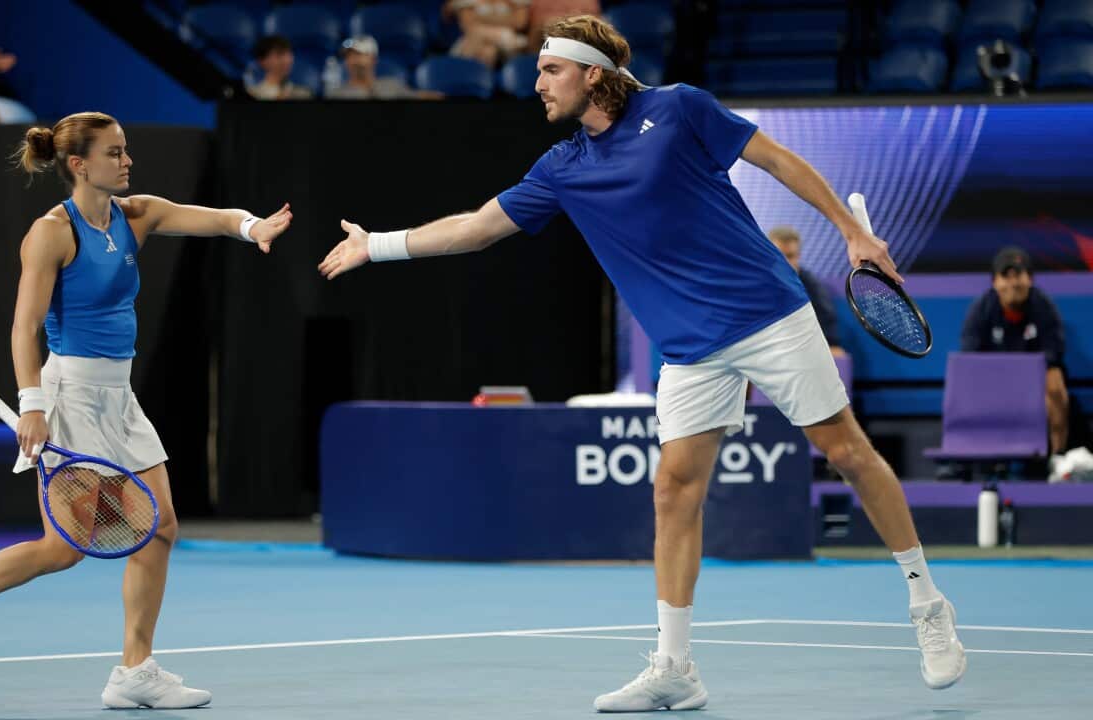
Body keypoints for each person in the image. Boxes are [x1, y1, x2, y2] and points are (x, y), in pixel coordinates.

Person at [318, 15, 965, 711]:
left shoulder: (679, 107)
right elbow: (476, 227)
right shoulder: (562, 168)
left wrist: (851, 230)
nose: (535, 84)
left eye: (550, 71)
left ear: (592, 73)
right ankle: (675, 668)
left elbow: (776, 159)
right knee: (672, 490)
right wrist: (378, 245)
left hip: (765, 313)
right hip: (688, 347)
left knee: (844, 450)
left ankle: (927, 604)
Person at [0, 111, 293, 708]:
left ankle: (135, 671)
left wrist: (254, 226)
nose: (127, 161)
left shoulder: (137, 214)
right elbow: (24, 328)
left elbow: (214, 219)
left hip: (119, 396)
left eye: (126, 150)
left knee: (160, 527)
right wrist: (31, 406)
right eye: (114, 153)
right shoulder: (52, 232)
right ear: (79, 164)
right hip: (68, 397)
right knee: (63, 549)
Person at [962, 246, 1069, 454]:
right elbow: (970, 355)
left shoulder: (1043, 306)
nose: (1013, 283)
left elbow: (1054, 351)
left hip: (1034, 385)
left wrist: (1026, 374)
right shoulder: (982, 309)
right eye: (1005, 276)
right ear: (995, 282)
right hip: (993, 383)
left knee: (1055, 380)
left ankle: (1057, 456)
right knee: (965, 382)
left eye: (1018, 275)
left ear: (1030, 279)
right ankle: (967, 460)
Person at [768, 225, 847, 357]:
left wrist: (831, 344)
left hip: (801, 348)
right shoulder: (756, 284)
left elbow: (826, 318)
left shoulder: (811, 286)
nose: (785, 262)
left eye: (790, 256)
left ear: (798, 256)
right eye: (780, 255)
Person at [325, 35, 439, 100]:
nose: (354, 59)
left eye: (359, 54)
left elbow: (417, 96)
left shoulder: (391, 85)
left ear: (373, 59)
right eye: (348, 56)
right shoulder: (337, 94)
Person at [445, 0, 529, 68]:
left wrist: (480, 18)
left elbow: (519, 23)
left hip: (507, 46)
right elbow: (468, 25)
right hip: (476, 41)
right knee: (488, 51)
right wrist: (505, 19)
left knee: (480, 34)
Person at [246, 34, 312, 101]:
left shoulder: (302, 94)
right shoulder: (253, 93)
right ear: (262, 61)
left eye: (289, 54)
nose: (287, 60)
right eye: (279, 54)